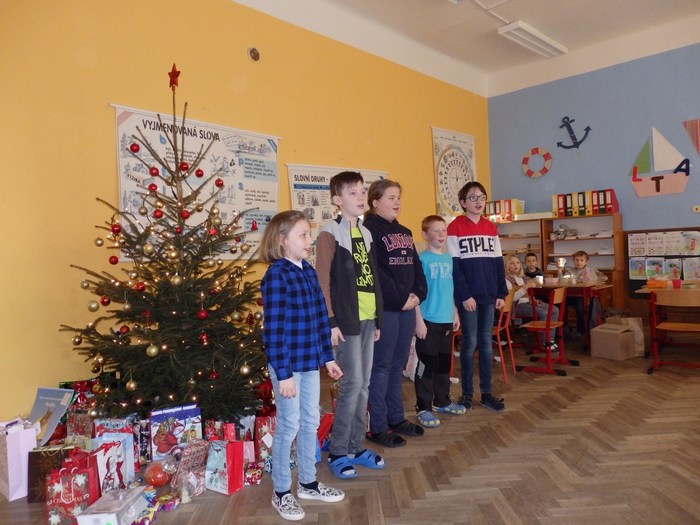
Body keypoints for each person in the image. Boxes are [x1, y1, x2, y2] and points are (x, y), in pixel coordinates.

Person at [260, 210, 345, 521]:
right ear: (283, 240)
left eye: (309, 234)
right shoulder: (276, 275)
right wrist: (283, 374)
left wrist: (328, 358)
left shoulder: (308, 271)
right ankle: (281, 491)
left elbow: (320, 320)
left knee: (310, 422)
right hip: (288, 367)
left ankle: (308, 483)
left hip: (310, 362)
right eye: (303, 235)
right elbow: (273, 331)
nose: (310, 240)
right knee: (289, 426)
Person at [315, 171, 385, 479]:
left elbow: (372, 279)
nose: (360, 197)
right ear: (337, 200)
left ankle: (356, 446)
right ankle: (338, 451)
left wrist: (378, 318)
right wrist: (331, 322)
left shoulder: (366, 233)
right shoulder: (329, 232)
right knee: (351, 384)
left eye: (362, 191)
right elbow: (322, 282)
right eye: (353, 193)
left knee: (364, 384)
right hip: (345, 322)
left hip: (368, 318)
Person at [363, 179, 427, 447]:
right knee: (381, 367)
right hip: (387, 310)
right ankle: (378, 426)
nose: (397, 202)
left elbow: (416, 267)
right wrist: (402, 298)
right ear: (375, 202)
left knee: (397, 365)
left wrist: (418, 294)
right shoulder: (368, 230)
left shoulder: (404, 231)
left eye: (398, 197)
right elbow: (376, 273)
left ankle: (396, 417)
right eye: (391, 197)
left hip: (407, 308)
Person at [447, 181, 507, 413]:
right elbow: (455, 267)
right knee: (469, 343)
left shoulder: (491, 227)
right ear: (463, 203)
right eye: (472, 198)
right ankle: (466, 395)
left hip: (489, 295)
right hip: (468, 298)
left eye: (482, 197)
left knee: (486, 344)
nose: (478, 201)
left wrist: (500, 292)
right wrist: (464, 295)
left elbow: (498, 263)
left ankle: (486, 394)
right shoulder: (455, 227)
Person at [413, 215, 464, 428]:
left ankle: (441, 401)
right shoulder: (422, 260)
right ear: (425, 235)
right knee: (427, 365)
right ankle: (423, 407)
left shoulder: (448, 259)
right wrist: (418, 321)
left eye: (444, 230)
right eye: (436, 230)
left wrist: (455, 313)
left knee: (444, 364)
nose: (441, 234)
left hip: (446, 320)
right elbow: (415, 294)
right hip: (428, 321)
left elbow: (449, 290)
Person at [504, 254, 559, 352]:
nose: (515, 265)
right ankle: (545, 342)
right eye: (512, 263)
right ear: (507, 266)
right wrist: (526, 287)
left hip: (528, 302)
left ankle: (550, 339)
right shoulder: (506, 280)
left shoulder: (522, 278)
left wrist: (533, 298)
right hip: (516, 306)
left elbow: (528, 294)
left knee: (555, 309)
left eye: (517, 262)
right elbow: (512, 298)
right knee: (544, 313)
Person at [566, 250, 607, 338]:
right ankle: (563, 328)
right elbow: (564, 281)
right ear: (573, 261)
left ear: (586, 262)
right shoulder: (569, 271)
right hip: (569, 295)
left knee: (580, 309)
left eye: (582, 260)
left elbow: (593, 282)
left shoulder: (589, 271)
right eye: (576, 260)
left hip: (582, 296)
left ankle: (580, 331)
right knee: (558, 306)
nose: (579, 262)